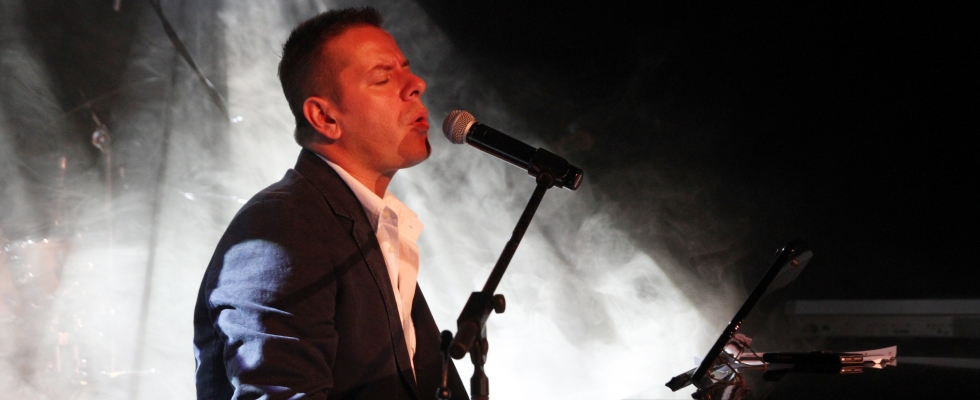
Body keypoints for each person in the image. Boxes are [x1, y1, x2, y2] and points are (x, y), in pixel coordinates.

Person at [193, 7, 467, 400]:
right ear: (324, 117)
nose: (416, 85)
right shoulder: (281, 226)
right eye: (383, 78)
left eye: (407, 70)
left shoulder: (370, 226)